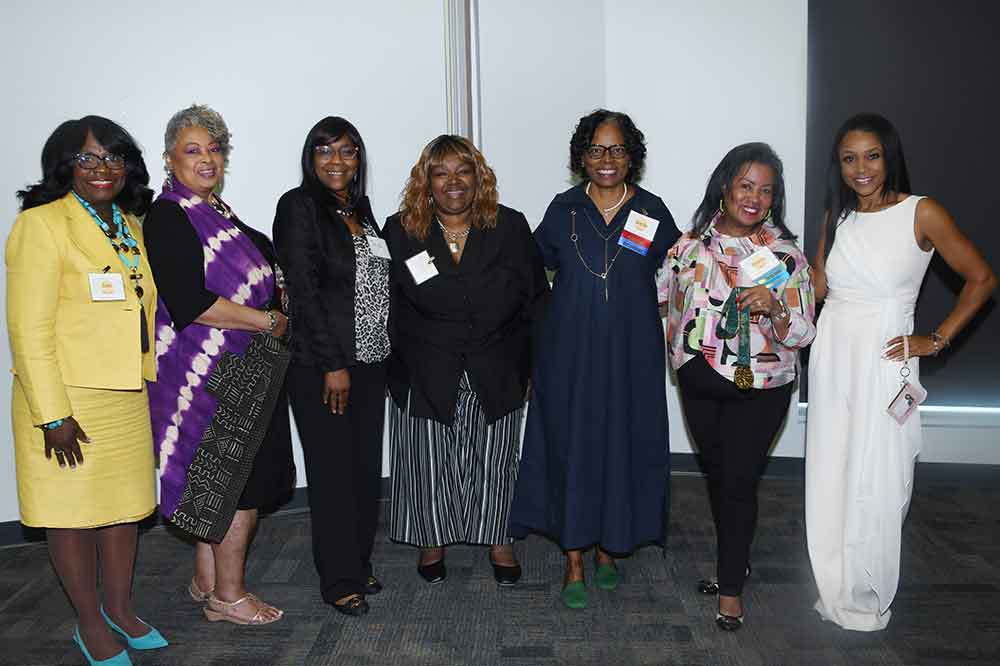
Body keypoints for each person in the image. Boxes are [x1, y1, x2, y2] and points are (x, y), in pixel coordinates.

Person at [806, 113, 996, 631]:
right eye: (849, 158)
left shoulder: (922, 212)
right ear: (838, 165)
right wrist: (766, 291)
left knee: (882, 477)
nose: (860, 168)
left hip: (887, 359)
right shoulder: (836, 217)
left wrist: (934, 340)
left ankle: (868, 594)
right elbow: (816, 289)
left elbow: (981, 278)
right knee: (832, 469)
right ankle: (835, 585)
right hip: (833, 356)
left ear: (889, 157)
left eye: (871, 155)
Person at [7, 116, 166, 665]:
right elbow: (28, 328)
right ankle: (89, 622)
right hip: (67, 397)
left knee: (122, 509)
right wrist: (52, 414)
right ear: (64, 166)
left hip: (124, 390)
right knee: (71, 512)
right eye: (89, 158)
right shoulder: (42, 225)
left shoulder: (129, 222)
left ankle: (120, 609)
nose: (104, 169)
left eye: (114, 158)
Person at [508, 109, 681, 609]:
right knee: (573, 445)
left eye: (618, 149)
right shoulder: (563, 209)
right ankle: (575, 559)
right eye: (596, 150)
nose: (607, 160)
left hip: (631, 353)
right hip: (569, 353)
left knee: (620, 444)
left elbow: (681, 274)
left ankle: (610, 549)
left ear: (633, 156)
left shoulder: (652, 210)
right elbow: (530, 274)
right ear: (581, 156)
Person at [144, 104, 294, 626]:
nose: (207, 159)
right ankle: (229, 598)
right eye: (193, 150)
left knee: (217, 478)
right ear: (169, 159)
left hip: (236, 368)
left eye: (214, 149)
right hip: (205, 375)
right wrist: (264, 321)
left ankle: (206, 580)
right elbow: (191, 301)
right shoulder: (170, 216)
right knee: (237, 485)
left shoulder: (215, 211)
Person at [659, 143, 816, 630]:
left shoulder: (784, 256)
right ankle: (737, 560)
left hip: (761, 387)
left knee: (739, 483)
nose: (755, 198)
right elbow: (661, 297)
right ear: (725, 188)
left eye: (766, 190)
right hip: (698, 382)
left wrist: (774, 306)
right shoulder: (689, 245)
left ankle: (730, 589)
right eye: (746, 186)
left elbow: (805, 333)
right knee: (718, 477)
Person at [384, 135, 547, 586]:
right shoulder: (399, 230)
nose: (453, 182)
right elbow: (388, 307)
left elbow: (536, 299)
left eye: (463, 171)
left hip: (497, 362)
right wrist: (398, 372)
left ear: (479, 178)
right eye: (441, 172)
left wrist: (531, 367)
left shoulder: (510, 226)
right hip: (425, 365)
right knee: (428, 458)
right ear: (426, 182)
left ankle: (499, 538)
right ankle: (431, 541)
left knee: (495, 459)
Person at [273, 117, 388, 616]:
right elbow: (304, 291)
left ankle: (357, 562)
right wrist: (332, 363)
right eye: (325, 151)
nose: (336, 161)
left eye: (347, 151)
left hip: (369, 362)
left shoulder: (360, 209)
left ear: (359, 159)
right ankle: (338, 579)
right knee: (333, 474)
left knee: (363, 470)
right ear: (310, 158)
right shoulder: (298, 207)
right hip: (325, 367)